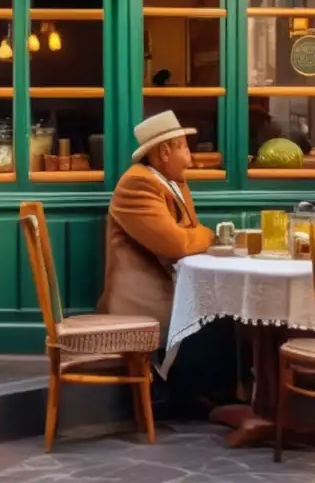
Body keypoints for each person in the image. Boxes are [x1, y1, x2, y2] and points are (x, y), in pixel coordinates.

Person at [97, 110, 245, 417]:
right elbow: (177, 244)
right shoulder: (138, 185)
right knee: (219, 314)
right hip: (145, 298)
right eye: (184, 147)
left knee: (234, 309)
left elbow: (186, 237)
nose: (190, 156)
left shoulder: (170, 181)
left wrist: (194, 236)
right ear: (164, 151)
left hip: (174, 284)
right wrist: (206, 234)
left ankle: (211, 395)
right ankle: (195, 396)